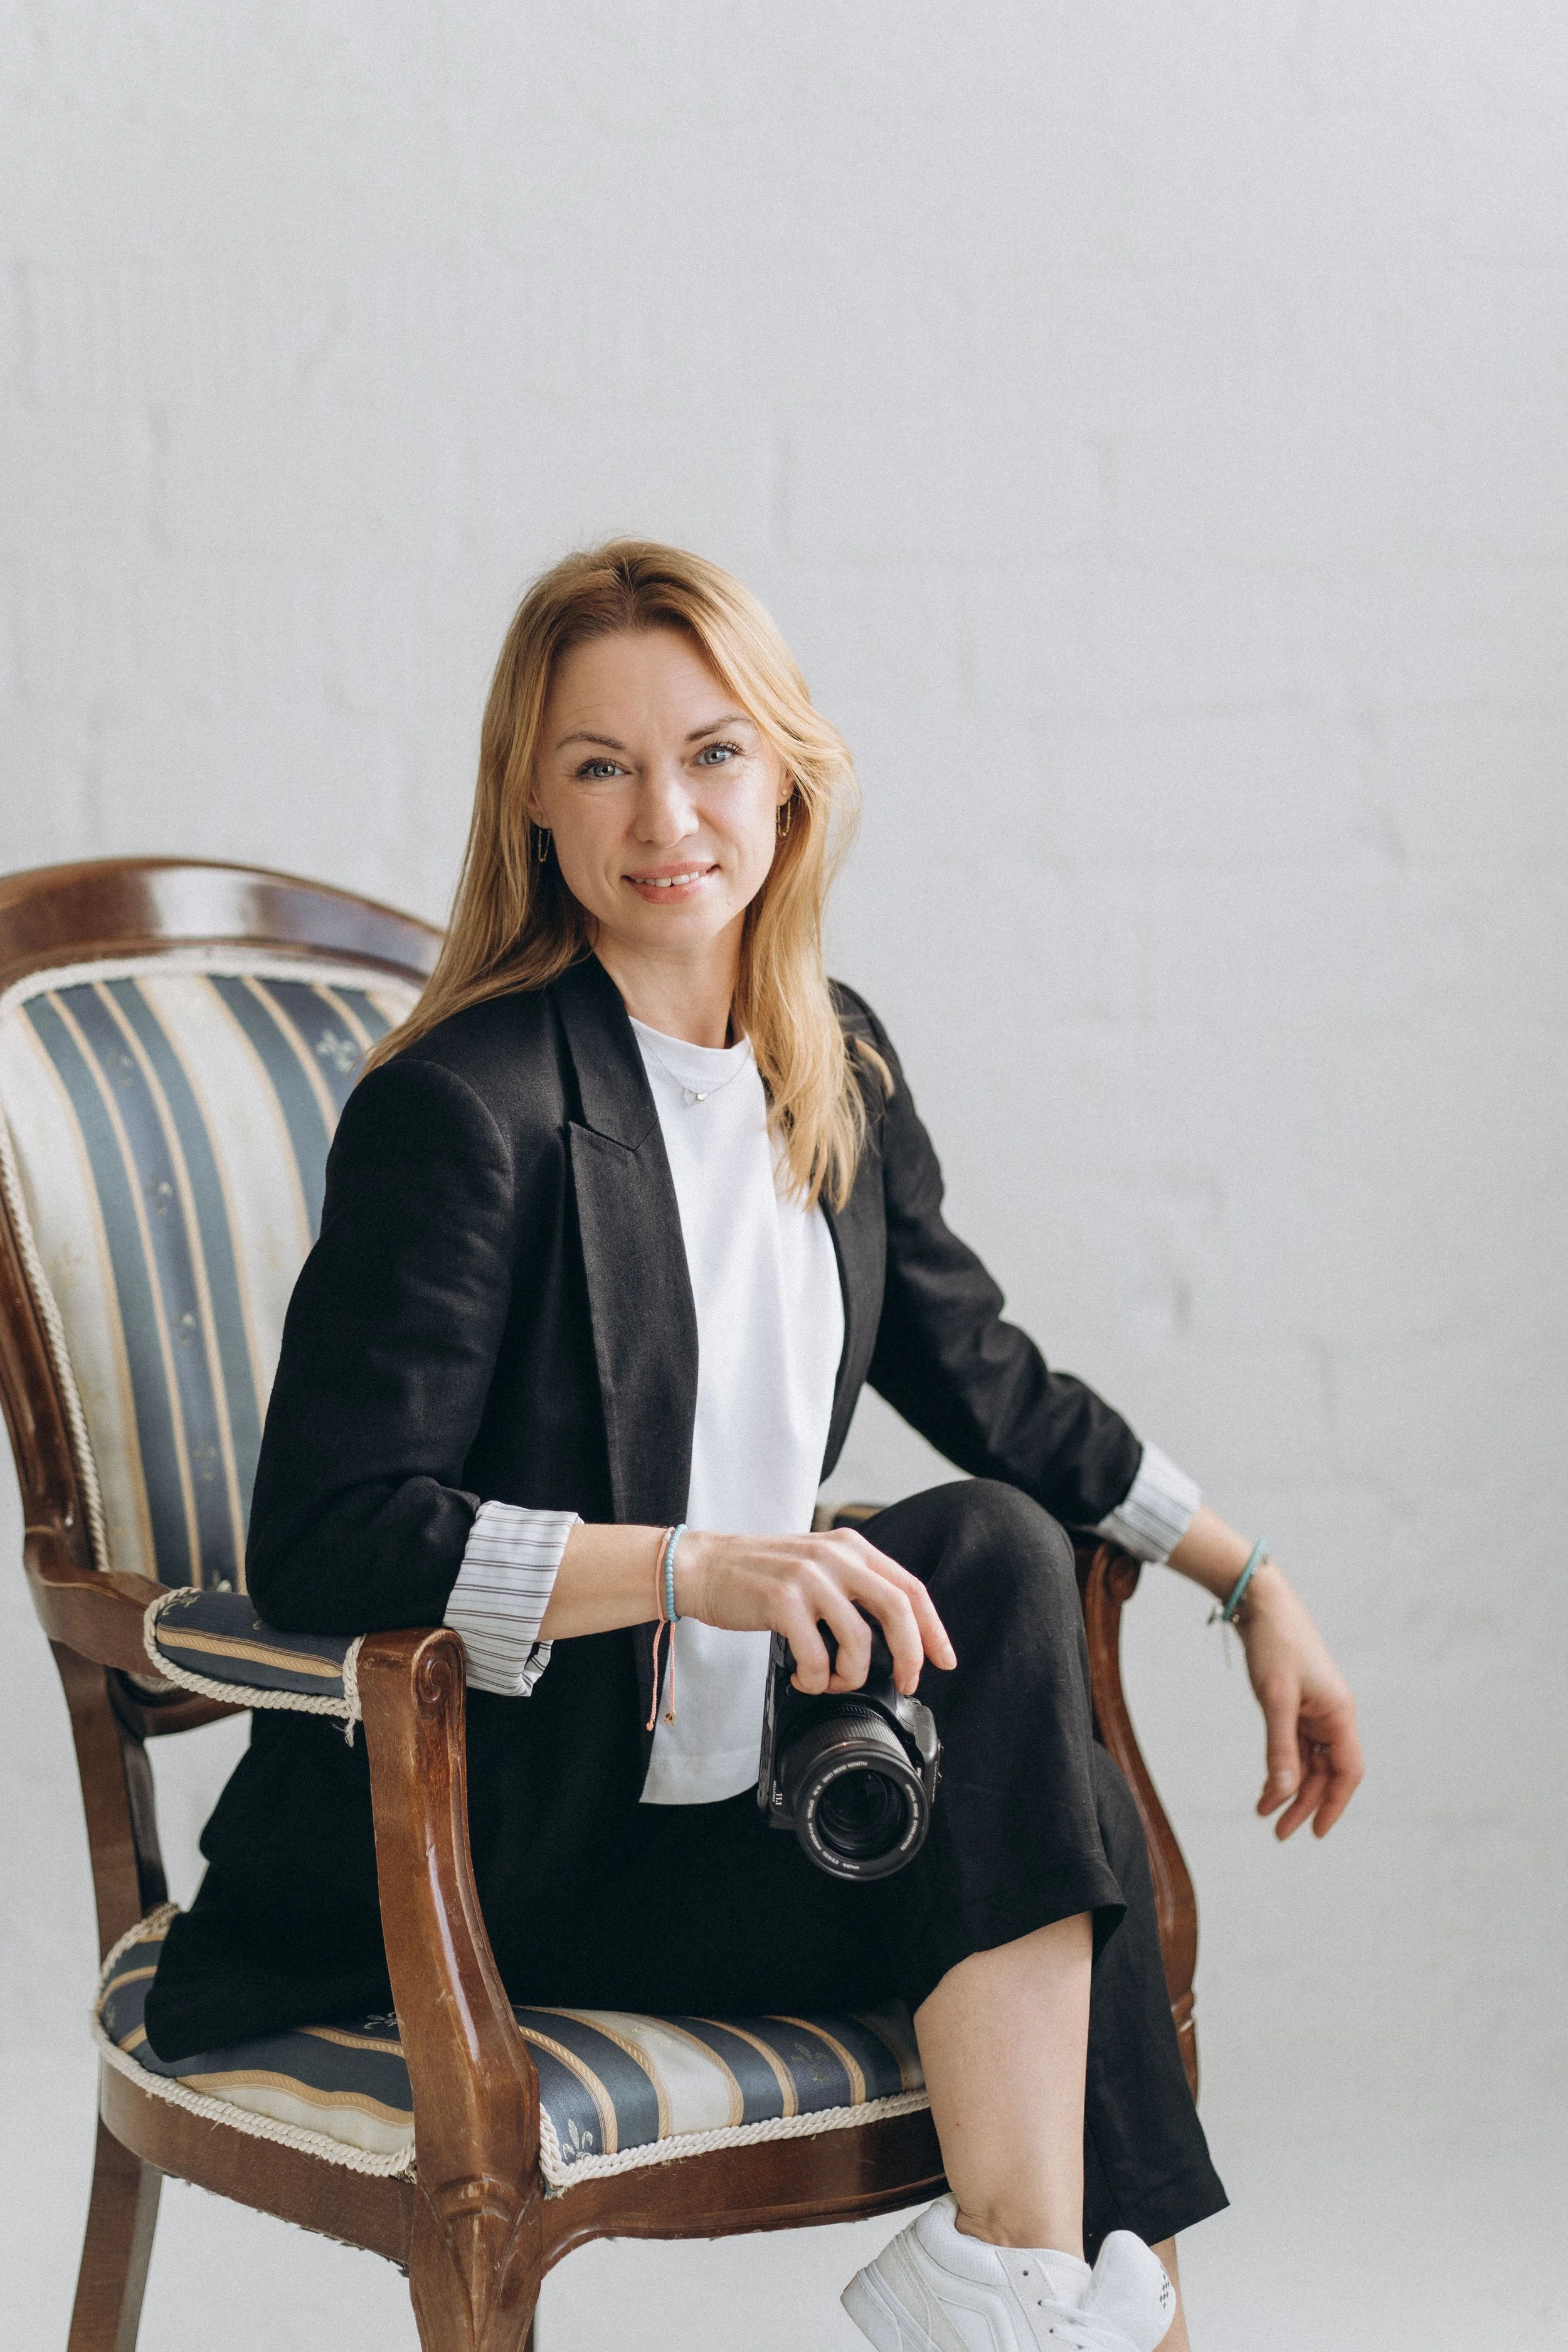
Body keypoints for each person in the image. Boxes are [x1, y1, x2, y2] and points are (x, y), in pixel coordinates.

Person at [146, 540, 1362, 2352]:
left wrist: (1245, 1576)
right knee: (1061, 1801)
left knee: (994, 1563)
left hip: (745, 1832)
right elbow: (328, 1532)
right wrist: (693, 1567)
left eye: (713, 752)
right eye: (598, 763)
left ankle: (1020, 2290)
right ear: (530, 806)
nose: (667, 815)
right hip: (495, 1867)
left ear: (787, 777)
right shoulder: (464, 1110)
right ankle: (1077, 2313)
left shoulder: (827, 1064)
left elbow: (992, 1384)